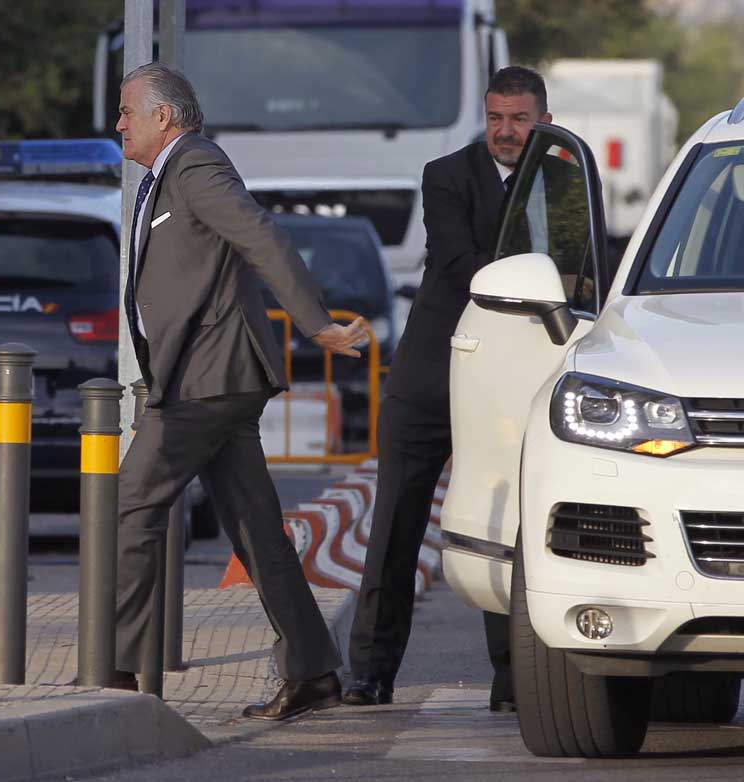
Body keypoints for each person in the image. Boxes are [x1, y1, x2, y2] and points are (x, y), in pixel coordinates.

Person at [109, 62, 369, 721]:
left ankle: (120, 676)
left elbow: (262, 235)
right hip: (211, 376)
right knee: (256, 528)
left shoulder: (194, 166)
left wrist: (317, 326)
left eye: (126, 112)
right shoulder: (168, 175)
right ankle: (312, 671)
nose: (118, 124)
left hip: (209, 377)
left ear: (162, 118)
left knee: (132, 502)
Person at [341, 66, 552, 712]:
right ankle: (371, 673)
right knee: (397, 521)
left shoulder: (563, 179)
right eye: (495, 118)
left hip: (514, 376)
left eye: (518, 118)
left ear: (542, 117)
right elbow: (460, 262)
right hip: (433, 370)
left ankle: (515, 678)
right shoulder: (447, 175)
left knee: (506, 523)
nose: (505, 131)